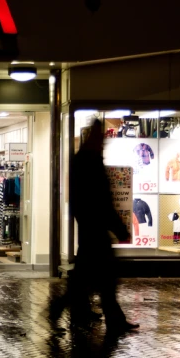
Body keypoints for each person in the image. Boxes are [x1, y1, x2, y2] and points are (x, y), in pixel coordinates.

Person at [58, 118, 139, 333]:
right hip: (96, 230)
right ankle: (108, 318)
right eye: (101, 138)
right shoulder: (90, 161)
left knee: (90, 278)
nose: (103, 143)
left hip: (89, 228)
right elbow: (102, 199)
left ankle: (77, 312)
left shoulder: (81, 160)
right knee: (104, 279)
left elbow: (88, 199)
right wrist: (118, 227)